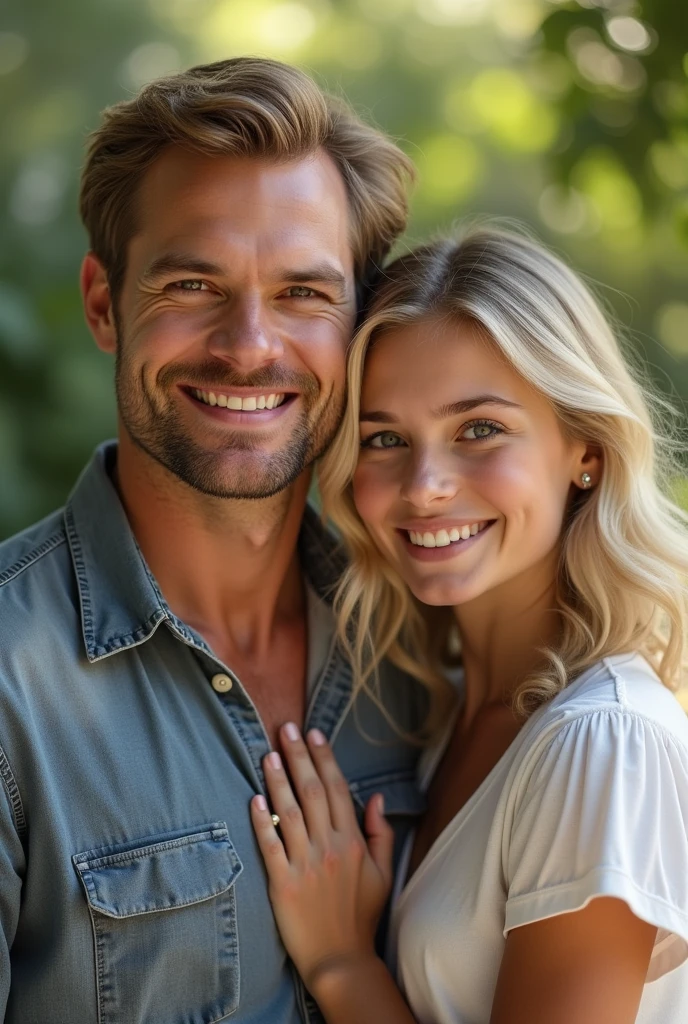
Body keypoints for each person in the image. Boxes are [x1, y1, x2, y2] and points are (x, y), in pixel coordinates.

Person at [0, 57, 431, 1023]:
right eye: (193, 283)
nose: (248, 345)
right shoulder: (8, 683)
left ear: (358, 323)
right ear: (105, 303)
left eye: (303, 295)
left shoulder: (428, 648)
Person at [250, 226, 688, 1024]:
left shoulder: (604, 742)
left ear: (583, 447)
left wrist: (343, 964)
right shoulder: (440, 709)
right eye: (385, 439)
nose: (424, 488)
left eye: (478, 429)